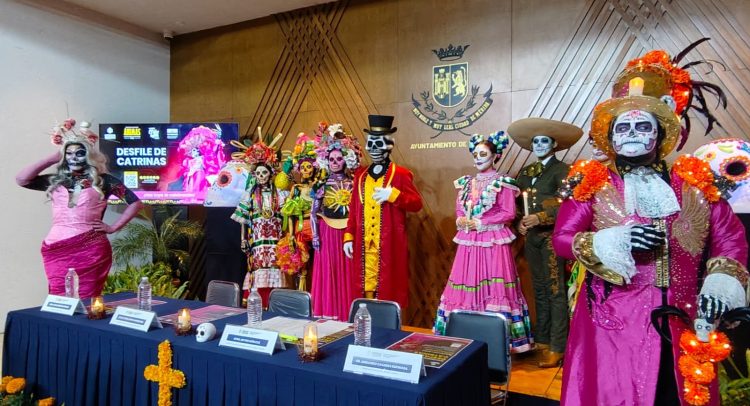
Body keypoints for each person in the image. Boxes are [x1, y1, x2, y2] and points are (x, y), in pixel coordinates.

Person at [553, 48, 748, 405]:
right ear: (611, 137)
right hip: (611, 324)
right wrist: (611, 242)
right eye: (622, 127)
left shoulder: (694, 183)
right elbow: (563, 240)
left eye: (642, 126)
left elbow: (730, 238)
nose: (631, 133)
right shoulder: (592, 183)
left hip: (685, 318)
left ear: (659, 133)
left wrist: (722, 281)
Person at [16, 119, 143, 299]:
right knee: (58, 299)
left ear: (89, 155)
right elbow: (22, 179)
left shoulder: (104, 180)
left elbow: (135, 203)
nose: (73, 157)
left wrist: (114, 227)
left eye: (79, 153)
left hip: (90, 247)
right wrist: (52, 158)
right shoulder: (56, 180)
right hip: (55, 249)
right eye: (68, 153)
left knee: (86, 299)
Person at [433, 132, 534, 353]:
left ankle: (496, 342)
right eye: (475, 154)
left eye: (483, 154)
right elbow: (459, 209)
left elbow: (508, 213)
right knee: (466, 283)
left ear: (495, 156)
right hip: (469, 241)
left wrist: (481, 222)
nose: (478, 158)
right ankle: (465, 337)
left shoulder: (503, 182)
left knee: (493, 284)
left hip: (492, 240)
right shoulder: (466, 183)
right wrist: (461, 219)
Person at [508, 117, 583, 367]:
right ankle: (542, 338)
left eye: (544, 141)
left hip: (552, 237)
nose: (539, 145)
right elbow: (517, 203)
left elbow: (569, 204)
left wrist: (541, 216)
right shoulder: (527, 172)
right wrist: (518, 222)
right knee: (539, 288)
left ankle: (558, 345)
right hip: (532, 238)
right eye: (536, 141)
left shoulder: (563, 170)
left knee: (555, 290)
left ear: (554, 144)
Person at [343, 115, 423, 309]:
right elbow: (354, 210)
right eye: (370, 143)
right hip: (364, 246)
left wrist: (394, 195)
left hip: (389, 245)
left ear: (389, 144)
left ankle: (387, 324)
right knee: (364, 288)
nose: (374, 148)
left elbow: (416, 204)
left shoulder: (401, 174)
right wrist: (348, 237)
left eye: (379, 143)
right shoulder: (361, 175)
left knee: (388, 290)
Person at [310, 124, 362, 320]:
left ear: (346, 160)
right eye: (331, 159)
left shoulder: (354, 183)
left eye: (339, 159)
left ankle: (348, 314)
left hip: (348, 233)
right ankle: (328, 312)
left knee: (348, 272)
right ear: (326, 160)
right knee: (328, 271)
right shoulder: (321, 185)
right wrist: (315, 236)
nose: (335, 163)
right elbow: (313, 212)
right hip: (327, 233)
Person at [231, 139, 289, 304]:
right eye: (258, 174)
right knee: (257, 267)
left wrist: (288, 238)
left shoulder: (280, 193)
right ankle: (258, 301)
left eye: (264, 173)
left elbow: (287, 217)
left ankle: (275, 301)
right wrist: (243, 239)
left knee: (276, 266)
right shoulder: (250, 194)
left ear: (271, 174)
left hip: (276, 239)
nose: (261, 177)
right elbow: (243, 219)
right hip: (257, 239)